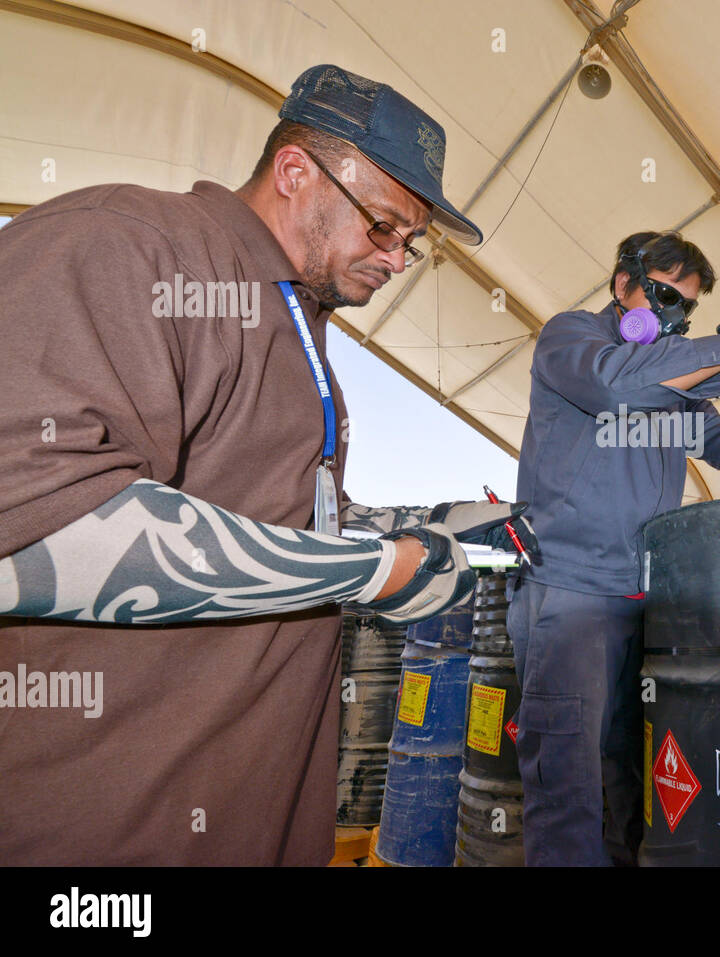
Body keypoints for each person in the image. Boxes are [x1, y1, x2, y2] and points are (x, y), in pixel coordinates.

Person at [0, 64, 536, 865]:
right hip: (107, 838)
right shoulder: (126, 243)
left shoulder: (295, 318)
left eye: (410, 244)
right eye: (383, 227)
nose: (396, 260)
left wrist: (420, 523)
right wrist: (374, 569)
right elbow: (36, 534)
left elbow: (281, 521)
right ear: (295, 172)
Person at [508, 230, 720, 865]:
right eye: (663, 295)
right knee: (566, 785)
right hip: (568, 592)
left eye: (685, 308)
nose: (672, 316)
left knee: (628, 780)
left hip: (641, 600)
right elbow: (617, 385)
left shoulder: (671, 386)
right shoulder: (572, 339)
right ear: (623, 283)